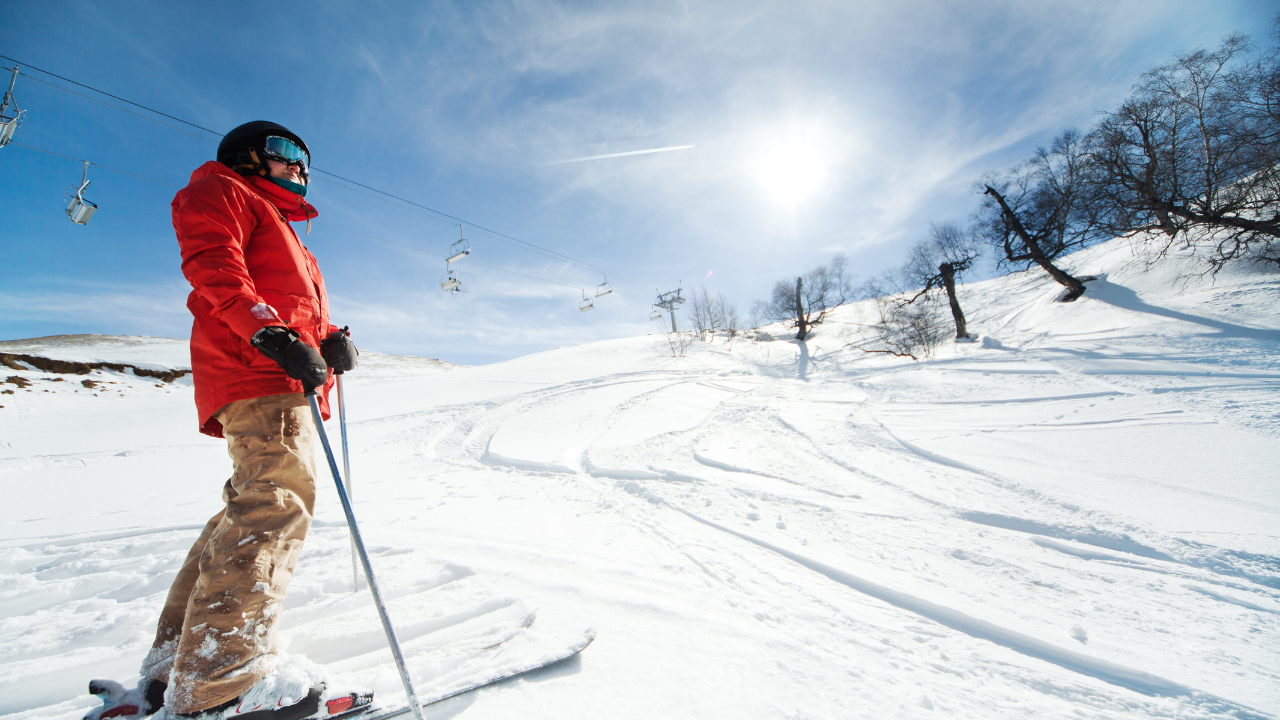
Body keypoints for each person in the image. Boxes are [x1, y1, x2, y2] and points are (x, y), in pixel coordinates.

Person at [85, 121, 365, 720]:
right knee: (274, 506)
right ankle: (221, 684)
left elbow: (290, 304)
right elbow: (215, 267)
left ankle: (174, 672)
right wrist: (270, 335)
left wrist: (329, 339)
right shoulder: (224, 189)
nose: (299, 166)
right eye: (285, 152)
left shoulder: (281, 224)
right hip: (260, 374)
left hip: (274, 374)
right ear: (247, 156)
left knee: (247, 509)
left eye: (305, 158)